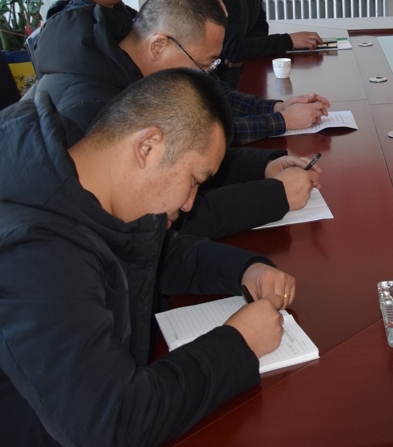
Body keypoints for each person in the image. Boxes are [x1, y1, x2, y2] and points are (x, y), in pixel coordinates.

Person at [0, 68, 296, 447]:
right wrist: (239, 344)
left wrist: (243, 269)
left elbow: (153, 251)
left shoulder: (80, 170)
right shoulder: (34, 254)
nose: (189, 204)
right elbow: (115, 422)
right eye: (194, 180)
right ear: (148, 147)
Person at [28, 0, 320, 239]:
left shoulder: (122, 68)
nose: (205, 76)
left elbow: (182, 160)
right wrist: (275, 196)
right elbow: (157, 221)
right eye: (202, 64)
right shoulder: (88, 107)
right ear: (159, 46)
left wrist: (263, 166)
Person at [156, 0, 330, 143]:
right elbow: (201, 135)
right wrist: (283, 120)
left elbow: (222, 96)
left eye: (221, 0)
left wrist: (280, 107)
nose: (224, 12)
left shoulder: (186, 49)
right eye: (213, 2)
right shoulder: (154, 68)